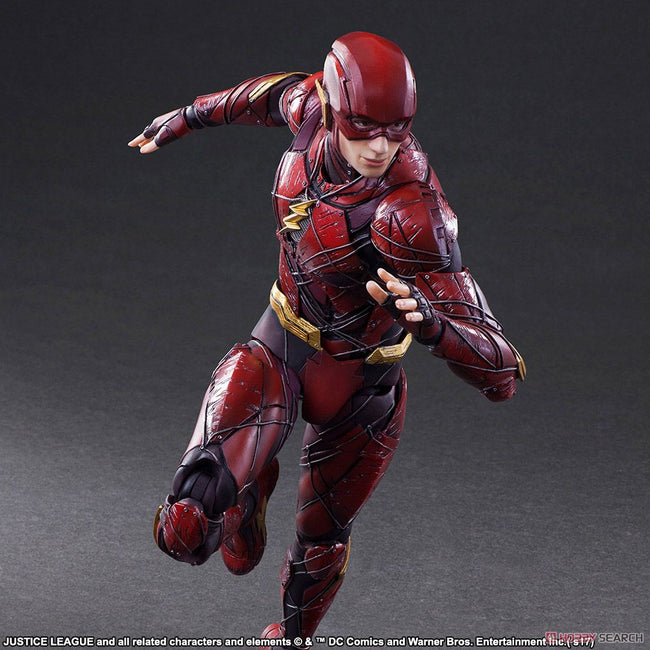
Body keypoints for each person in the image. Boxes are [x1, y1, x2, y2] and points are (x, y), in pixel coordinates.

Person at [129, 31, 524, 648]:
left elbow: (501, 373)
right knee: (186, 525)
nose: (381, 147)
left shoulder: (412, 210)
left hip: (363, 389)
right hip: (282, 344)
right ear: (337, 109)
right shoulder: (312, 109)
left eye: (396, 130)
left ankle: (291, 637)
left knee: (320, 540)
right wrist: (184, 118)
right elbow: (260, 97)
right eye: (364, 127)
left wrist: (434, 326)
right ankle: (247, 492)